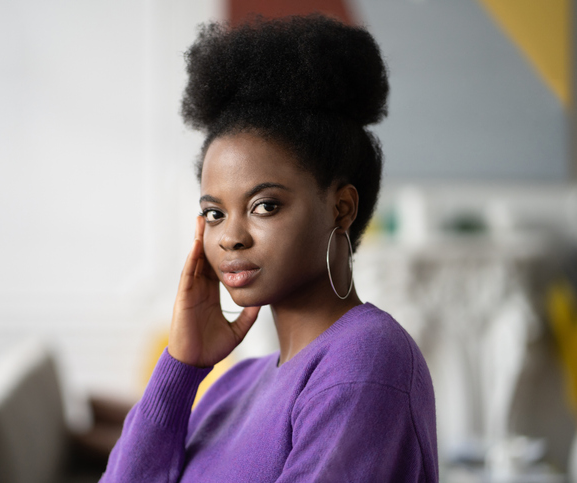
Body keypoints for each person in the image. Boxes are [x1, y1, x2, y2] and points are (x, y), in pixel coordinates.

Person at [101, 14, 438, 482]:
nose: (230, 236)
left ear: (341, 208)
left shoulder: (366, 360)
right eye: (215, 212)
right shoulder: (236, 384)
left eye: (264, 206)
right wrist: (180, 368)